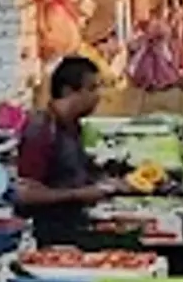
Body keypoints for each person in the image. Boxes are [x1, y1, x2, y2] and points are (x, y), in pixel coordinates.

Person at [12, 52, 115, 219]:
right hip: (48, 231)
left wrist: (109, 182)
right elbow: (24, 193)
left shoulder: (73, 126)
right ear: (68, 91)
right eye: (91, 88)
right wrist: (77, 194)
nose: (97, 96)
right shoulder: (41, 129)